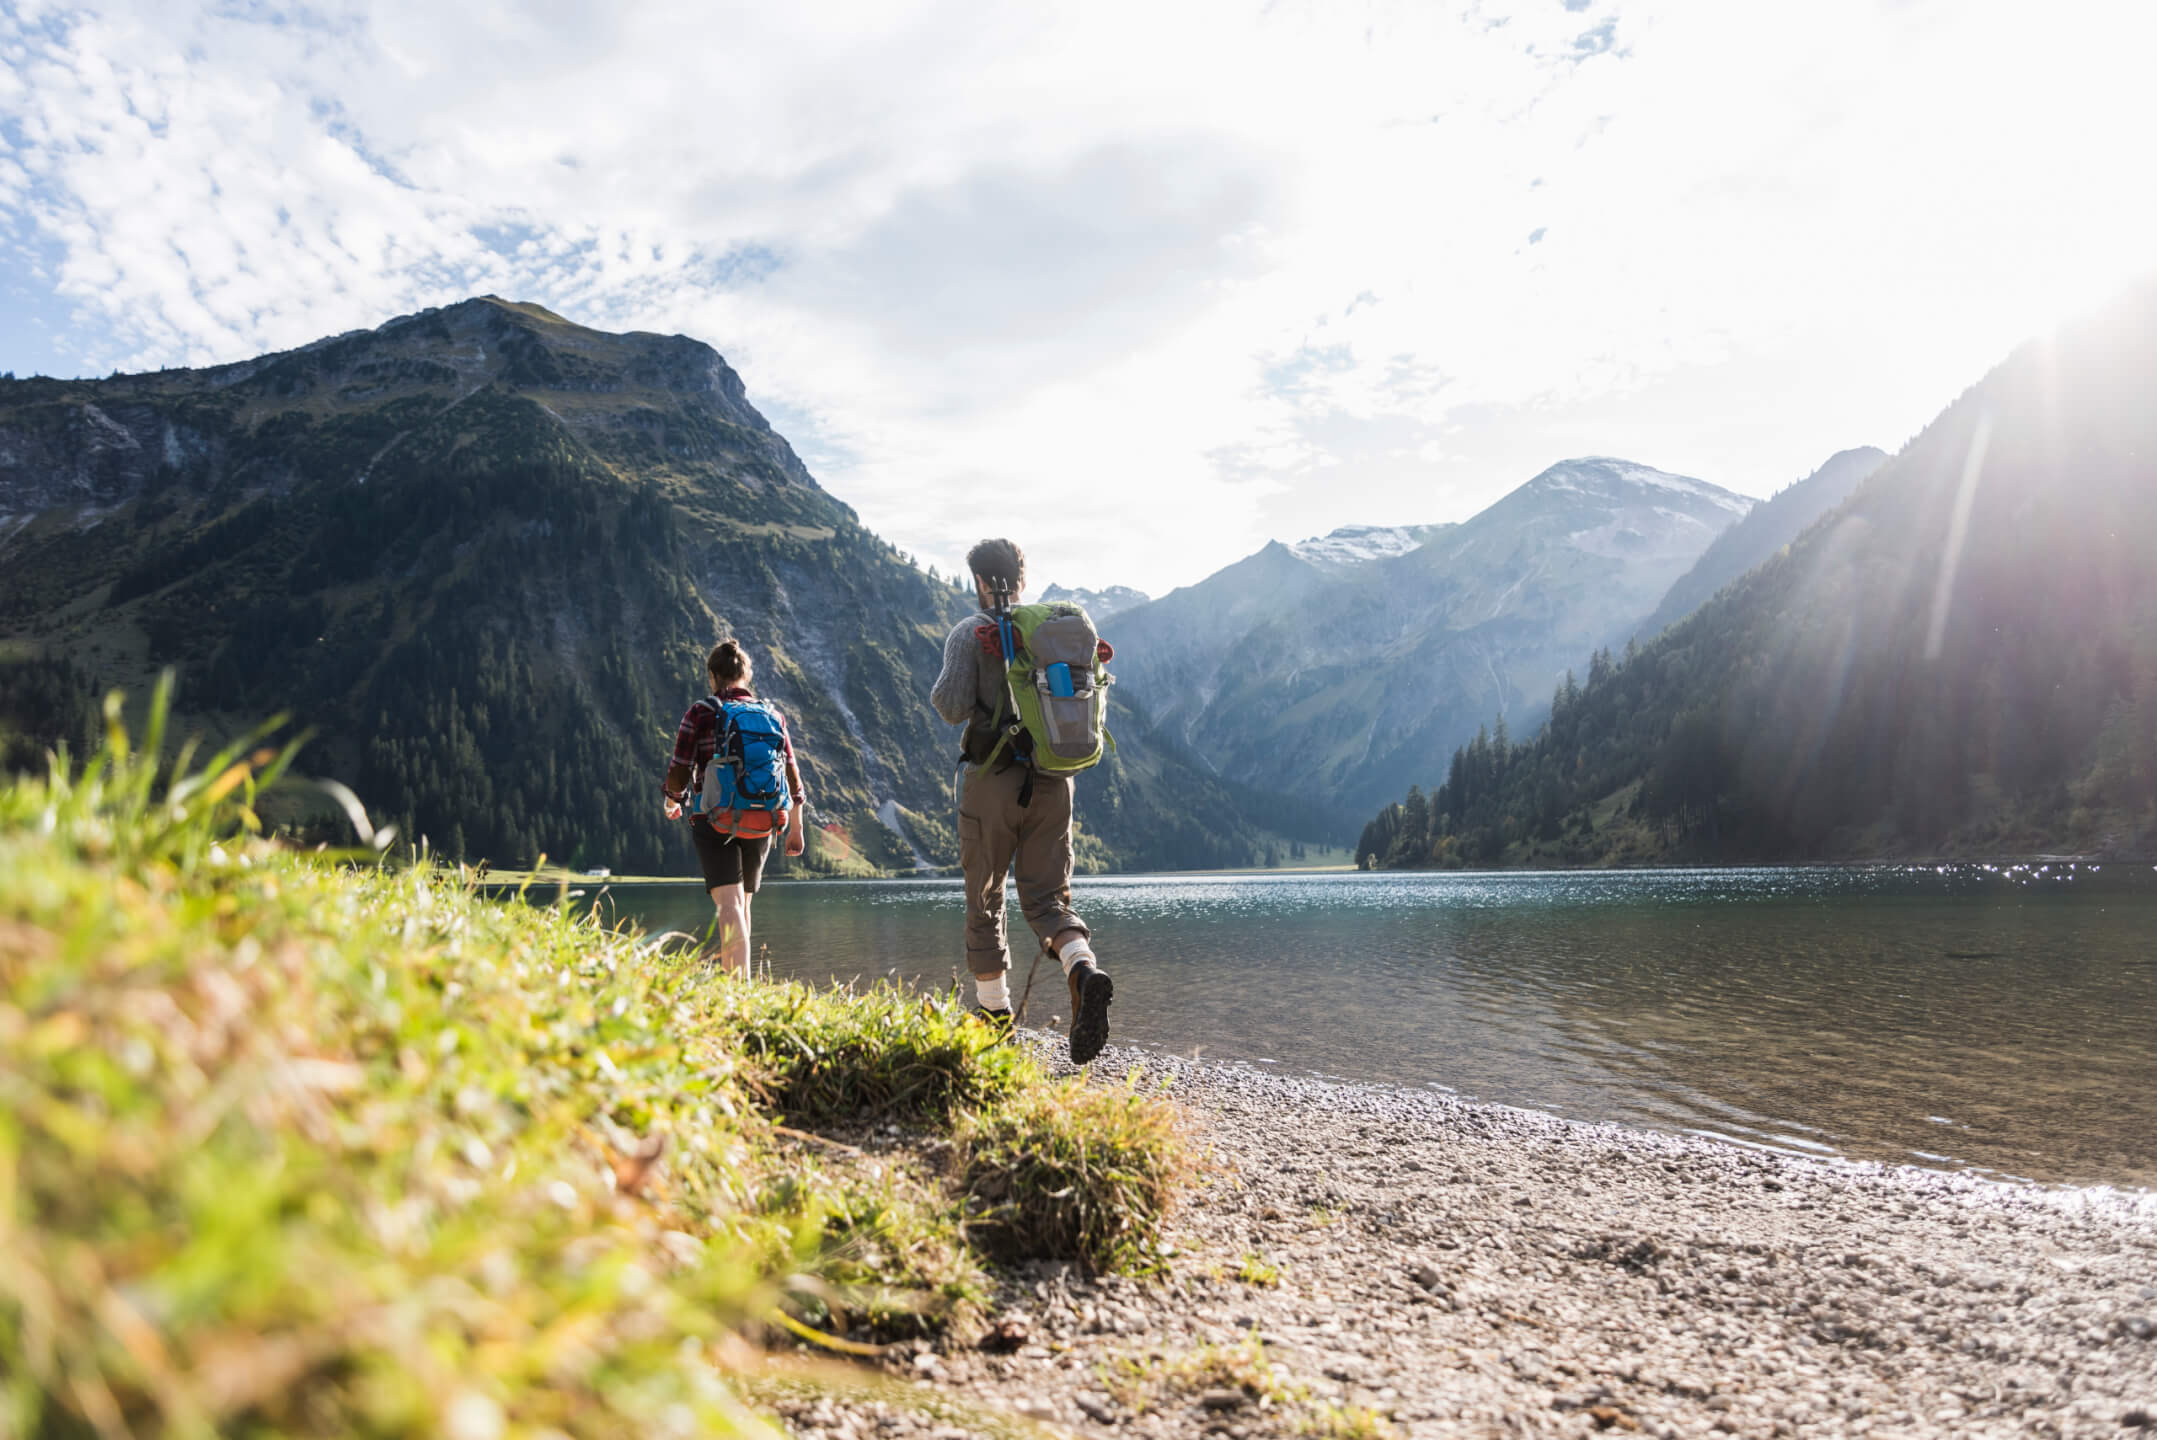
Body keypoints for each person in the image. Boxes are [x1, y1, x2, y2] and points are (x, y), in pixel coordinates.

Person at [931, 537, 1113, 1063]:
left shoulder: (971, 632)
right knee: (1048, 899)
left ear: (980, 582)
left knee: (986, 897)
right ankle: (1082, 969)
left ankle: (994, 1015)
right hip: (1054, 781)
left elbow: (950, 705)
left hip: (992, 780)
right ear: (1022, 579)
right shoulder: (1055, 636)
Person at [663, 639, 807, 973]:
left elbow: (680, 768)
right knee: (743, 903)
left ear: (713, 675)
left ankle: (737, 985)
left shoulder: (701, 712)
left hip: (714, 816)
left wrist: (672, 801)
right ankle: (739, 982)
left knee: (728, 903)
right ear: (746, 675)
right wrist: (796, 825)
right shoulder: (772, 715)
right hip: (763, 817)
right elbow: (791, 772)